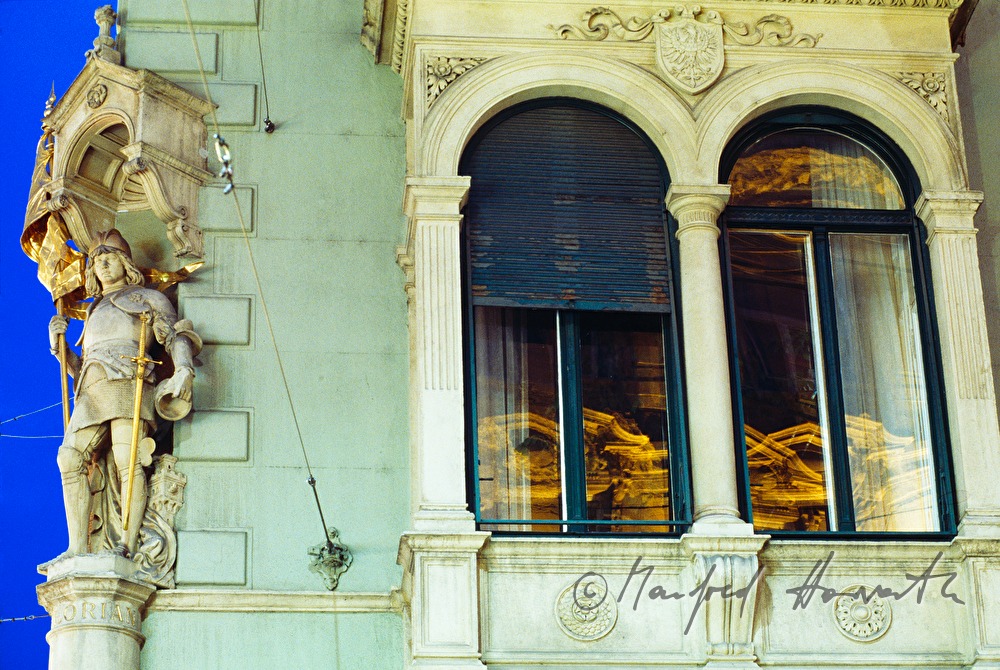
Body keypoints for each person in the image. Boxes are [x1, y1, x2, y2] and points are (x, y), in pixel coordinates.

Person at [47, 229, 200, 560]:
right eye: (96, 261)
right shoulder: (92, 310)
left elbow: (174, 335)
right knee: (69, 458)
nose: (101, 266)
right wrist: (60, 349)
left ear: (125, 263)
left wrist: (184, 369)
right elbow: (82, 366)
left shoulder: (146, 298)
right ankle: (76, 548)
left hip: (131, 383)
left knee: (126, 462)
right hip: (92, 390)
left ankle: (127, 545)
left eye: (109, 258)